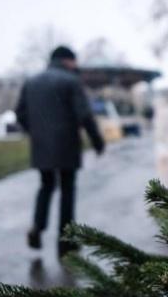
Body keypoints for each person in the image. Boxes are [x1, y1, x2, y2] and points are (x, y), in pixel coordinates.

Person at [15, 46, 105, 256]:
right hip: (67, 145)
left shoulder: (31, 81)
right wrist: (97, 141)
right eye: (74, 61)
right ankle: (65, 241)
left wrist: (35, 131)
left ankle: (37, 227)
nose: (76, 65)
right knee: (67, 189)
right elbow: (84, 115)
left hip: (41, 146)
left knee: (46, 186)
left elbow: (20, 113)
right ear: (67, 61)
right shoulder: (71, 81)